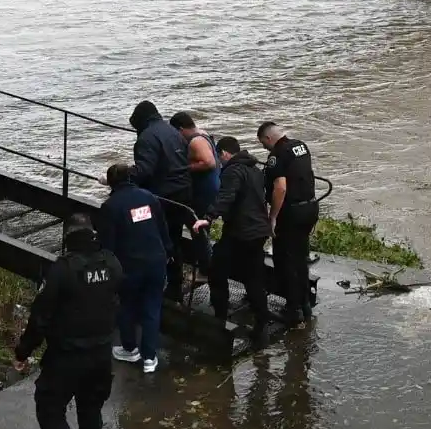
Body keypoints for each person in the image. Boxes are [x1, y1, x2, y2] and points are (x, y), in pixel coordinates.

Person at [13, 214, 123, 429]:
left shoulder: (62, 270)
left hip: (67, 356)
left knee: (49, 410)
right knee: (91, 409)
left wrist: (23, 351)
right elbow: (118, 298)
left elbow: (40, 317)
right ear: (92, 233)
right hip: (101, 354)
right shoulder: (111, 262)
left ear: (67, 237)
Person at [193, 136, 273, 345]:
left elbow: (226, 196)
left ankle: (219, 316)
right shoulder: (254, 169)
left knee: (216, 269)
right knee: (254, 277)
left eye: (219, 159)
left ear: (223, 153)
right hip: (258, 231)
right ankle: (262, 323)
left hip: (241, 232)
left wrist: (208, 217)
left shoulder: (233, 170)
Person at [98, 163, 171, 373]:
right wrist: (168, 251)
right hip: (156, 260)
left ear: (111, 183)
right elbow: (162, 227)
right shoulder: (149, 197)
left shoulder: (110, 206)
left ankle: (130, 348)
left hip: (129, 264)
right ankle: (149, 357)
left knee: (126, 305)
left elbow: (107, 244)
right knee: (152, 307)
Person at [127, 100, 199, 299]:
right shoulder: (173, 131)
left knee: (152, 238)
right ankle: (175, 282)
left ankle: (160, 283)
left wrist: (121, 176)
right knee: (173, 239)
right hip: (183, 194)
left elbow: (145, 170)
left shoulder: (147, 137)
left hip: (161, 198)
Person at [257, 121, 317, 326]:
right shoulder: (301, 146)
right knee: (301, 258)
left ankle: (293, 309)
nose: (264, 148)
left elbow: (280, 188)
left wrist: (272, 217)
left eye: (263, 144)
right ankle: (305, 304)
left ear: (268, 138)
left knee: (285, 261)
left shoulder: (277, 155)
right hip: (310, 208)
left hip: (291, 212)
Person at [169, 111, 221, 219]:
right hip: (214, 187)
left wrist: (184, 168)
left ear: (181, 129)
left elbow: (209, 163)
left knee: (198, 225)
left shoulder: (196, 141)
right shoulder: (203, 133)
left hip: (205, 191)